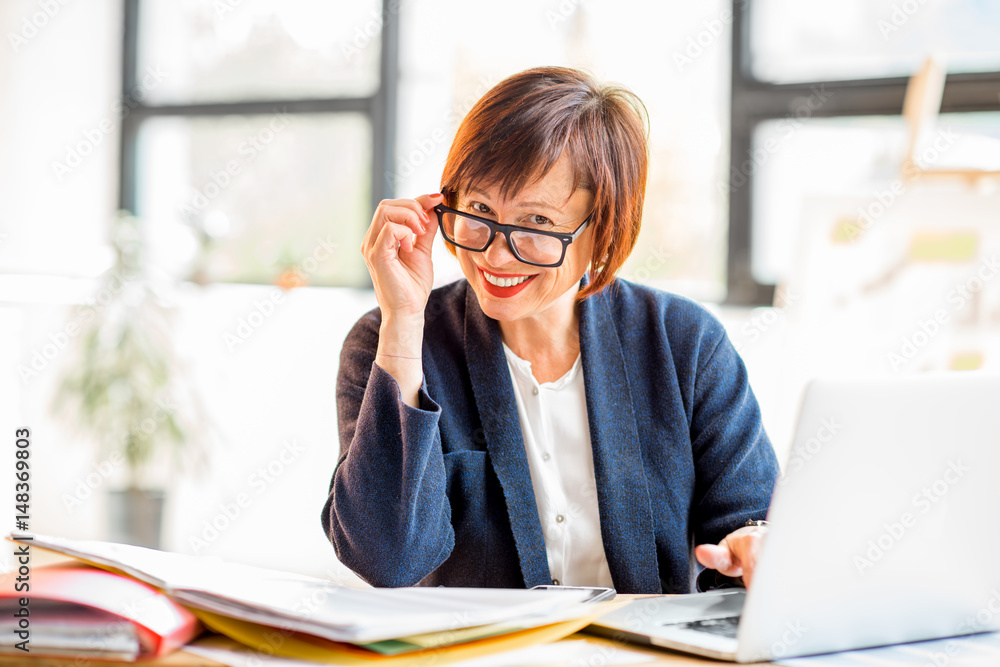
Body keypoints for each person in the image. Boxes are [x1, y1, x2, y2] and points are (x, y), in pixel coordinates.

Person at [321, 66, 779, 594]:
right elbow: (385, 560)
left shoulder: (684, 342)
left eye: (536, 224)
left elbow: (750, 520)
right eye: (478, 210)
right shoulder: (388, 340)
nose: (495, 254)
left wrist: (756, 542)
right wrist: (403, 324)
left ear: (602, 230)